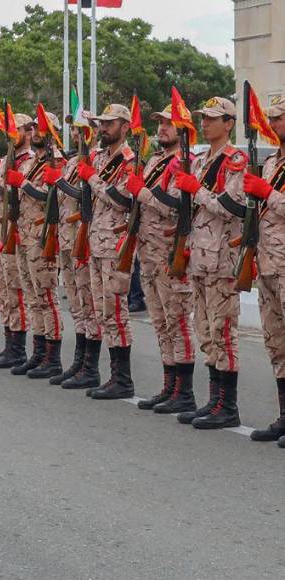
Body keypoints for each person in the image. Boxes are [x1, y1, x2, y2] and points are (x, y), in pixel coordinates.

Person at [172, 97, 247, 429]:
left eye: (213, 119)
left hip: (222, 260)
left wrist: (196, 190)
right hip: (199, 258)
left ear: (229, 123)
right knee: (205, 330)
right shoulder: (202, 160)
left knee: (224, 331)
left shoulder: (235, 160)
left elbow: (231, 205)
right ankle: (213, 401)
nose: (205, 123)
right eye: (203, 118)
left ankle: (228, 407)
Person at [124, 105, 197, 413]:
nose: (162, 128)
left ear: (183, 130)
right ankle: (169, 385)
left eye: (169, 124)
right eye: (161, 123)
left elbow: (175, 208)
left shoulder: (185, 163)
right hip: (148, 254)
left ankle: (185, 391)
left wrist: (140, 192)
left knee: (178, 321)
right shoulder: (155, 160)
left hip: (171, 254)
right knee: (159, 321)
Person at [77, 104, 136, 399]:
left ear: (125, 126)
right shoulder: (98, 157)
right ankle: (112, 376)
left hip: (115, 245)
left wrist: (91, 178)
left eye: (110, 124)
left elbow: (122, 200)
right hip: (95, 243)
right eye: (102, 123)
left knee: (116, 311)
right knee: (103, 312)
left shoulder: (128, 161)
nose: (103, 128)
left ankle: (123, 380)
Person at [4, 110, 66, 379]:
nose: (35, 132)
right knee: (32, 298)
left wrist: (24, 184)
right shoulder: (31, 163)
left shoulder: (58, 163)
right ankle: (38, 353)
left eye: (41, 128)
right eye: (33, 128)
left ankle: (52, 357)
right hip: (24, 235)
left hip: (43, 238)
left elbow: (53, 199)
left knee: (47, 298)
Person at [243, 96, 285, 445]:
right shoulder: (271, 162)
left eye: (280, 117)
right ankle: (284, 415)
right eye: (272, 117)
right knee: (276, 343)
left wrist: (268, 193)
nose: (273, 123)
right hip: (269, 264)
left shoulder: (273, 174)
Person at [52, 119, 103, 388]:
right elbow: (63, 199)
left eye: (82, 129)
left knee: (89, 303)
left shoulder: (99, 161)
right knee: (76, 302)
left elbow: (93, 201)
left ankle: (90, 367)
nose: (76, 134)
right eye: (73, 130)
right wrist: (57, 181)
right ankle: (79, 361)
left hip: (86, 241)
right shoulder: (72, 163)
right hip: (67, 241)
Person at [0, 114, 37, 373]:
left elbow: (10, 189)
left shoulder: (29, 161)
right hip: (1, 230)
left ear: (27, 133)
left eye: (14, 130)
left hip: (19, 232)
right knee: (1, 288)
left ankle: (18, 347)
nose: (10, 135)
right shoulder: (10, 159)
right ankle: (9, 343)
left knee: (16, 290)